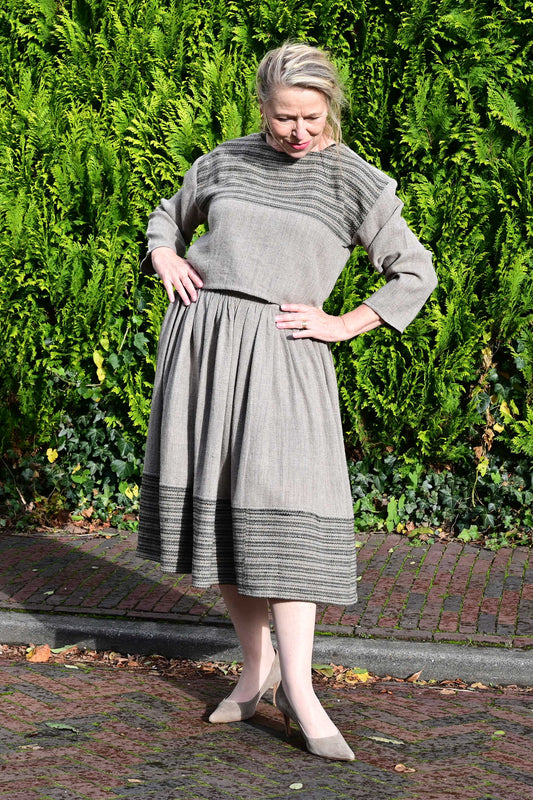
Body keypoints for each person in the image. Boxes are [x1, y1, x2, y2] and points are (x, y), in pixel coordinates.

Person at [137, 42, 437, 760]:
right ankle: (255, 670)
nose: (295, 133)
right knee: (228, 526)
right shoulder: (224, 161)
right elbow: (165, 219)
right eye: (281, 119)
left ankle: (300, 690)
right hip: (203, 351)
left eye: (308, 118)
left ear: (329, 107)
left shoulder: (354, 182)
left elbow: (413, 272)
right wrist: (165, 254)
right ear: (261, 108)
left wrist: (341, 324)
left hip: (282, 358)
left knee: (286, 525)